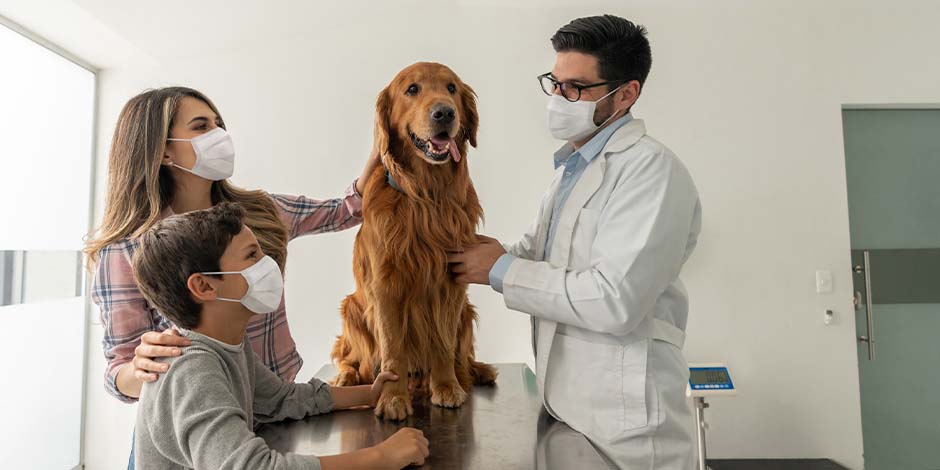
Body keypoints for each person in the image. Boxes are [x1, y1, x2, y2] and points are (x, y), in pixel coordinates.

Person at [448, 15, 702, 468]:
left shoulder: (651, 171)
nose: (558, 99)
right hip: (570, 413)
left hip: (628, 435)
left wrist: (501, 269)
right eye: (555, 83)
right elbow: (541, 254)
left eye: (576, 88)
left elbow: (614, 299)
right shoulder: (574, 170)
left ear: (625, 94)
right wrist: (468, 251)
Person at [84, 86, 376, 468]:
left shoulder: (256, 213)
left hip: (275, 412)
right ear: (163, 150)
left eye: (219, 123)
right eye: (201, 126)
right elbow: (119, 370)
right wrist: (139, 369)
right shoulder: (126, 251)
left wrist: (383, 145)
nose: (220, 135)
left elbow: (347, 210)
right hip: (196, 436)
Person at [130, 202, 429, 469]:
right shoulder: (192, 370)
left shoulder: (229, 345)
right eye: (252, 255)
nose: (268, 263)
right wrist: (381, 457)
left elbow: (281, 399)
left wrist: (368, 394)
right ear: (205, 286)